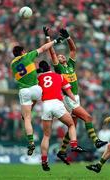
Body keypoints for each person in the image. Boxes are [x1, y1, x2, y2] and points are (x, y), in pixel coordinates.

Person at [43, 27, 107, 164]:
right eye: (59, 56)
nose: (61, 56)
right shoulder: (58, 69)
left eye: (62, 55)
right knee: (88, 117)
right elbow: (52, 53)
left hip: (76, 97)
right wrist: (48, 38)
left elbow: (73, 50)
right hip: (68, 98)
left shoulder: (70, 65)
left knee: (73, 125)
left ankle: (61, 152)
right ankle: (96, 141)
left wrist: (68, 37)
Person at [10, 36, 65, 156]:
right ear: (23, 52)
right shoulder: (28, 56)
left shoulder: (12, 64)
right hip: (36, 89)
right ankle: (55, 107)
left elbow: (23, 72)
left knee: (27, 118)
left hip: (24, 91)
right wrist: (55, 41)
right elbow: (43, 48)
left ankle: (31, 142)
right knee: (42, 97)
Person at [37, 60, 86, 171]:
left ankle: (44, 160)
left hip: (46, 105)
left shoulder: (39, 79)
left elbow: (36, 95)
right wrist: (76, 103)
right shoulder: (59, 76)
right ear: (50, 67)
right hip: (57, 103)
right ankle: (74, 144)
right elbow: (69, 92)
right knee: (71, 125)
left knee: (46, 136)